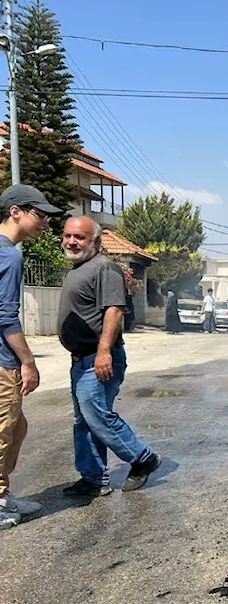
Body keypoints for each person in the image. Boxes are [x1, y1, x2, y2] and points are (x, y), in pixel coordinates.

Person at [59, 217, 161, 496]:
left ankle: (143, 458)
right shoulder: (78, 270)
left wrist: (104, 352)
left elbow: (114, 311)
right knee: (85, 420)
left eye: (79, 237)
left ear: (96, 241)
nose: (71, 241)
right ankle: (93, 477)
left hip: (99, 357)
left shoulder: (104, 268)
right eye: (67, 235)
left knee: (98, 416)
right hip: (81, 359)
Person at [0, 185, 61, 528]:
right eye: (40, 216)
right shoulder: (10, 255)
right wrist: (28, 362)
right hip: (3, 361)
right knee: (5, 429)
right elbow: (6, 315)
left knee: (17, 427)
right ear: (16, 212)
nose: (45, 224)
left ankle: (3, 494)